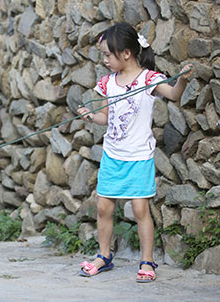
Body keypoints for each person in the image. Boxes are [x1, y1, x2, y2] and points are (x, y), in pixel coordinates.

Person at [77, 22, 192, 283]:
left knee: (140, 210)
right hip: (112, 155)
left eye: (108, 54)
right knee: (104, 207)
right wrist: (91, 116)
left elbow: (173, 94)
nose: (104, 60)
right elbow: (106, 117)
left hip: (138, 157)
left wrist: (182, 79)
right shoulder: (107, 83)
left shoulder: (148, 79)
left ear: (126, 53)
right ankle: (104, 256)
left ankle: (147, 261)